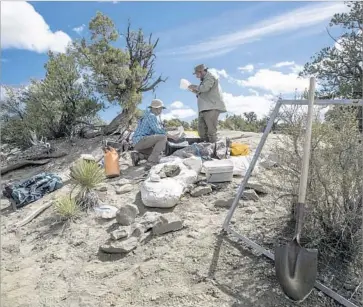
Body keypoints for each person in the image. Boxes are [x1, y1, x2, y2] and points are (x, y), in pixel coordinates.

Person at [131, 99, 174, 170]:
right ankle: (151, 162)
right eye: (161, 108)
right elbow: (159, 131)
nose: (161, 111)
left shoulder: (145, 115)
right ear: (156, 108)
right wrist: (172, 136)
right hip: (141, 140)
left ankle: (138, 156)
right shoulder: (151, 116)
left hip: (137, 143)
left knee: (158, 155)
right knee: (163, 138)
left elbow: (155, 129)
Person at [188, 64, 227, 143]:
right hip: (204, 109)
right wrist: (193, 90)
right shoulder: (204, 80)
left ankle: (213, 150)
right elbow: (202, 92)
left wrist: (194, 87)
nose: (196, 76)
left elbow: (205, 88)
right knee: (202, 132)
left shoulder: (210, 77)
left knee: (211, 131)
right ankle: (205, 149)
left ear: (201, 71)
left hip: (211, 108)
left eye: (197, 74)